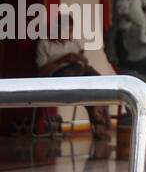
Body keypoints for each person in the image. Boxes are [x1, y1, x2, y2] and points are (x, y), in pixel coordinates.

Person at [35, 10, 113, 155]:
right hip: (59, 76)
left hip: (79, 71)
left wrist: (80, 57)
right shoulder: (45, 44)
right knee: (84, 83)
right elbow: (42, 72)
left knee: (98, 81)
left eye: (71, 31)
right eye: (67, 31)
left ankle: (100, 120)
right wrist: (63, 60)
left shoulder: (74, 42)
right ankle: (102, 124)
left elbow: (84, 61)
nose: (70, 35)